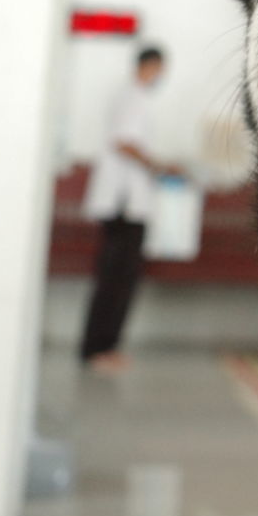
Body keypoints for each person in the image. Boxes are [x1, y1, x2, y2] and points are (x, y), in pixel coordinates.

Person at [79, 46, 178, 372]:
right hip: (123, 203)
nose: (162, 76)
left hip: (128, 203)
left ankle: (104, 347)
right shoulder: (132, 97)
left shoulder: (132, 97)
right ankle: (97, 349)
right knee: (115, 279)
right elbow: (124, 143)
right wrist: (157, 165)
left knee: (120, 277)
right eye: (161, 69)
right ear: (150, 66)